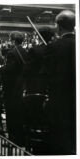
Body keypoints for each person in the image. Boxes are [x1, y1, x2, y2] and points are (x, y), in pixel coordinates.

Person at [45, 10, 76, 155]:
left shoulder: (54, 46)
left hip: (59, 100)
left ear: (58, 26)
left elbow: (46, 73)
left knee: (60, 141)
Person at [0, 31, 27, 146]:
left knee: (12, 115)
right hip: (23, 86)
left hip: (12, 88)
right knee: (20, 115)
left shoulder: (12, 52)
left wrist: (2, 68)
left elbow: (9, 70)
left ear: (12, 40)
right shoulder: (25, 51)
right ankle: (21, 140)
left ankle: (12, 141)